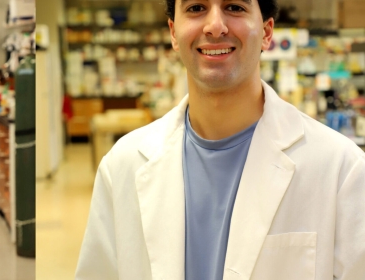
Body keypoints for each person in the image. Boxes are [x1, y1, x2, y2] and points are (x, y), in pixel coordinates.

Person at [76, 0, 365, 279]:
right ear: (174, 32)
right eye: (196, 8)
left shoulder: (341, 169)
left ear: (266, 32)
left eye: (235, 7)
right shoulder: (122, 166)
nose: (215, 26)